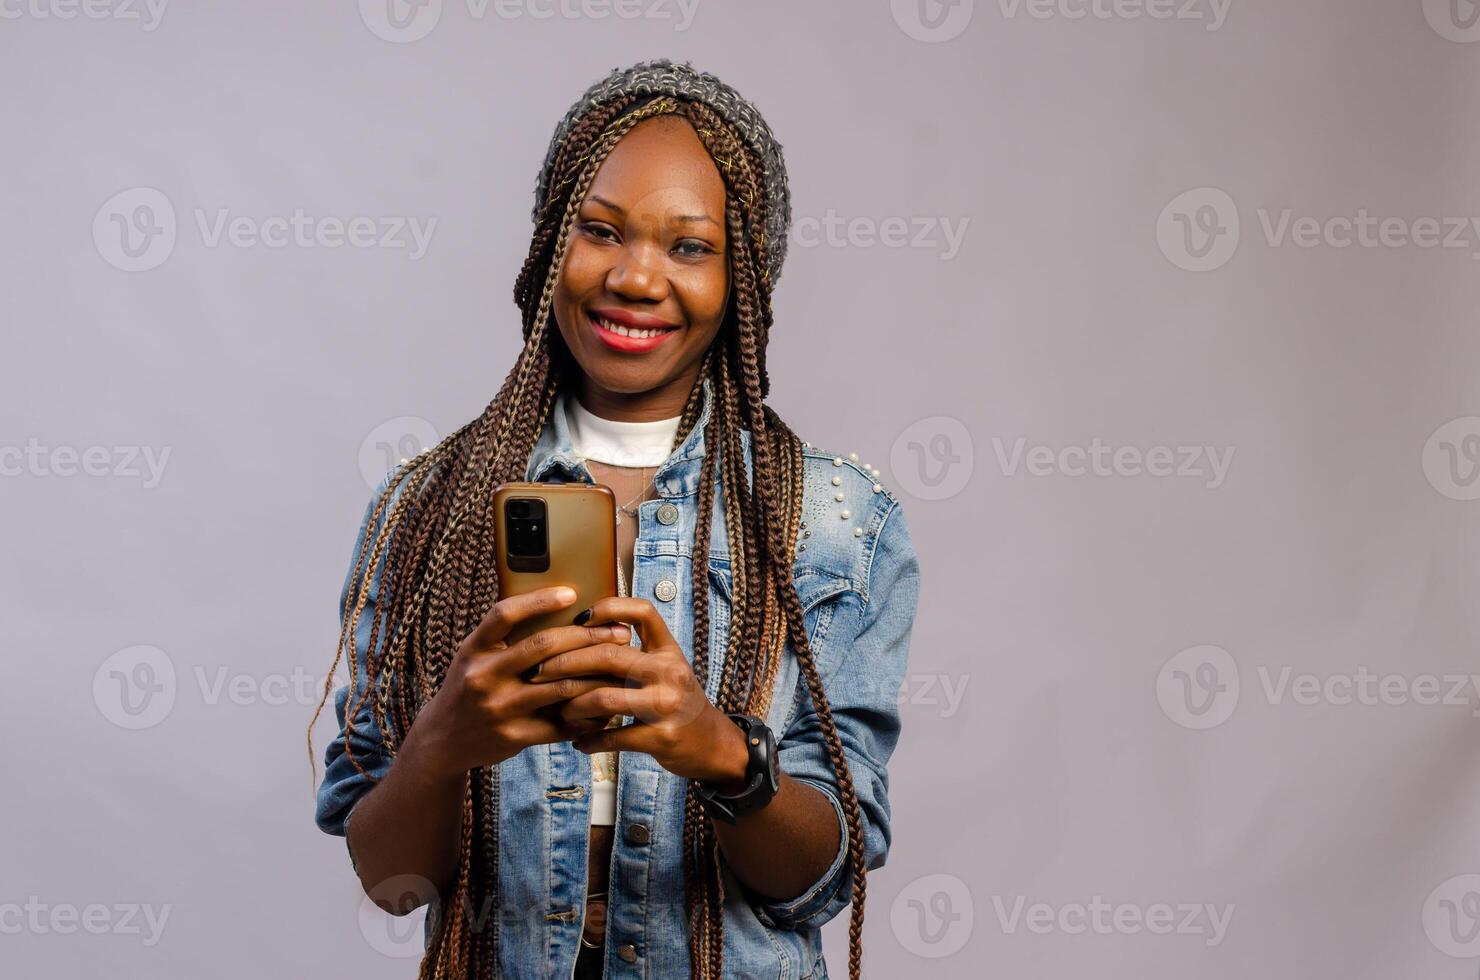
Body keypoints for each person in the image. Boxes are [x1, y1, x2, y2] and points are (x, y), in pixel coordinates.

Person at [310, 58, 921, 980]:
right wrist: (441, 744)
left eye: (689, 246)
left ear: (744, 276)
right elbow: (393, 885)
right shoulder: (427, 511)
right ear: (553, 242)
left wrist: (724, 755)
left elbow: (825, 878)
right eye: (601, 231)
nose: (637, 277)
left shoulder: (837, 522)